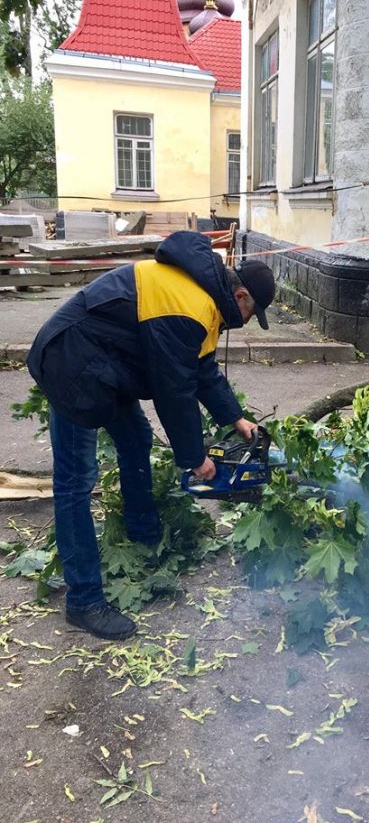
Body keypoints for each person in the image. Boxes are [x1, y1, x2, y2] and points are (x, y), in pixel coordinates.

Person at [26, 230, 275, 641]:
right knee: (75, 482)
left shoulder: (202, 299)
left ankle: (143, 533)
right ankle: (84, 601)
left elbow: (203, 371)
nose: (248, 323)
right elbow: (173, 388)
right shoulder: (189, 305)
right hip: (71, 363)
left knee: (137, 439)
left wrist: (237, 419)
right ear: (242, 295)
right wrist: (195, 458)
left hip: (107, 364)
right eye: (254, 314)